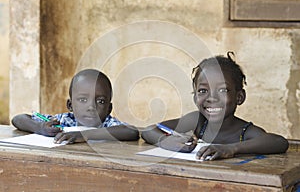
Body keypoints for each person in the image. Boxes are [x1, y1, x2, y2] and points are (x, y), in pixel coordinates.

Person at [141, 52, 289, 161]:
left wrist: (231, 149)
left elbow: (279, 142)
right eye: (203, 91)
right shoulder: (198, 122)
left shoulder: (245, 132)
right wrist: (165, 141)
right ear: (195, 97)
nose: (212, 98)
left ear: (239, 97)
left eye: (223, 90)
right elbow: (148, 130)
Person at [12, 69, 139, 144]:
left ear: (109, 109)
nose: (91, 107)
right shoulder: (64, 121)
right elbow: (18, 119)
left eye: (100, 101)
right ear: (70, 105)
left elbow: (132, 131)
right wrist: (39, 127)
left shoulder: (107, 123)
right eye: (83, 99)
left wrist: (84, 135)